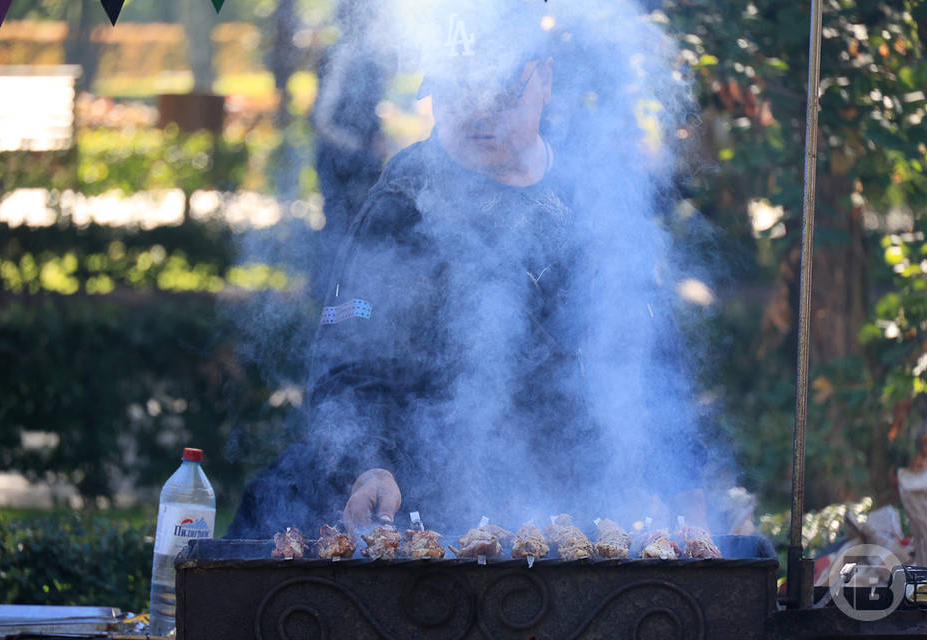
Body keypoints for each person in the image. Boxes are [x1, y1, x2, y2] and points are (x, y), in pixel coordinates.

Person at [228, 1, 708, 539]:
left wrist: (683, 487)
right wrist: (368, 464)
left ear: (544, 80)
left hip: (571, 502)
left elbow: (653, 354)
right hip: (414, 497)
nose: (480, 111)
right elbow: (347, 362)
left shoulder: (593, 197)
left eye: (500, 92)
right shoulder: (403, 198)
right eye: (460, 90)